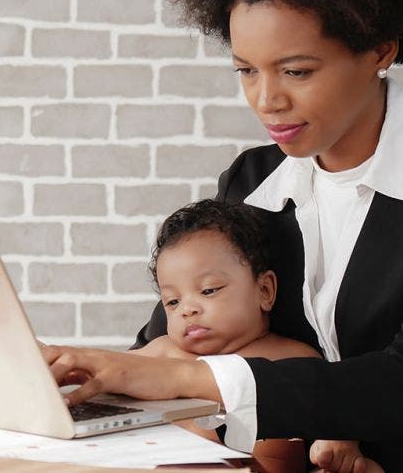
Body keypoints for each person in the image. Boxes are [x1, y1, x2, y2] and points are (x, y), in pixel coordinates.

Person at [42, 0, 403, 471]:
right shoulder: (254, 179)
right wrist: (83, 376)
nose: (266, 100)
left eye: (296, 71)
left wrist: (181, 379)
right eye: (245, 71)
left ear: (379, 50)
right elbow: (173, 341)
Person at [130, 199, 382, 473]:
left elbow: (334, 407)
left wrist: (337, 442)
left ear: (264, 291)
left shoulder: (294, 359)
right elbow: (115, 376)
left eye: (209, 290)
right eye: (172, 302)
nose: (187, 310)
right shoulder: (163, 353)